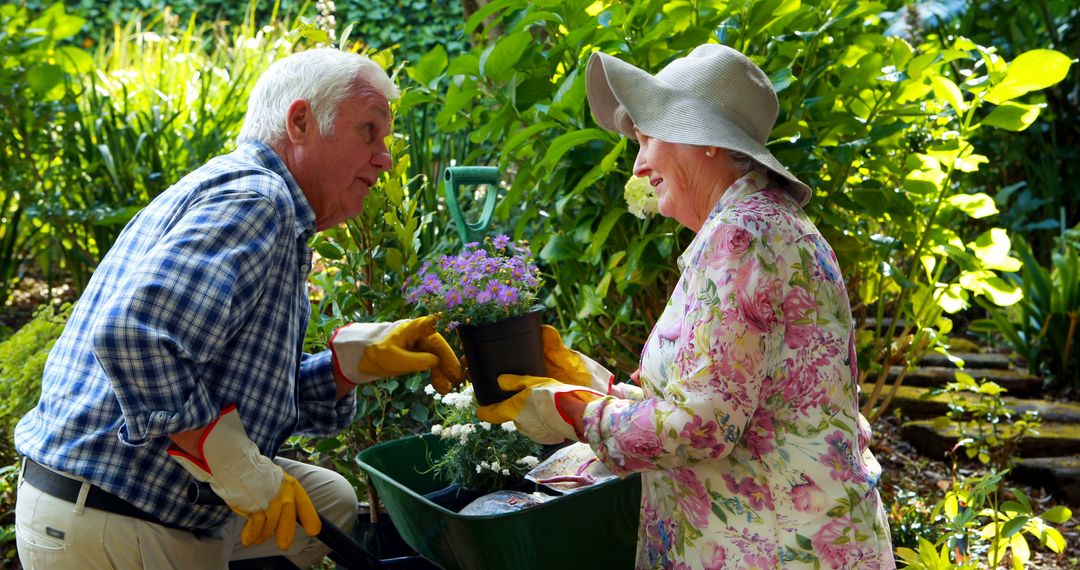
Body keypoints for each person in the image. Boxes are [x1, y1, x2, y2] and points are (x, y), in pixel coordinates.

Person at [14, 47, 462, 569]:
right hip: (116, 516)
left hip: (123, 502)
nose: (384, 156)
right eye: (368, 131)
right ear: (300, 122)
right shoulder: (258, 200)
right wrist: (240, 470)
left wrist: (345, 366)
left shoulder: (256, 198)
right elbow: (133, 337)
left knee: (331, 504)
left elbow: (235, 392)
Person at [479, 44, 895, 569]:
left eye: (647, 138)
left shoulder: (742, 236)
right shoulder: (766, 224)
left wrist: (576, 413)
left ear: (706, 142)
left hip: (774, 549)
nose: (638, 164)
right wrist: (600, 387)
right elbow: (730, 396)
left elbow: (701, 425)